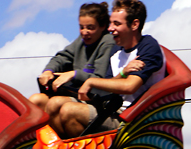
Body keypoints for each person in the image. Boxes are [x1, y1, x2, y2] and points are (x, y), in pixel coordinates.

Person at [51, 0, 165, 138]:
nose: (110, 28)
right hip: (111, 109)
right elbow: (109, 84)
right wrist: (123, 73)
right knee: (54, 103)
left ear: (135, 24)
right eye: (111, 23)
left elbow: (130, 86)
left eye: (117, 24)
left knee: (69, 111)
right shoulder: (116, 50)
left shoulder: (148, 47)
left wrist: (91, 82)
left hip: (133, 122)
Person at [28, 3, 114, 123]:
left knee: (55, 103)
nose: (84, 32)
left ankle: (62, 139)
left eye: (90, 27)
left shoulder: (108, 42)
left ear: (103, 26)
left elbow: (99, 79)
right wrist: (48, 71)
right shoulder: (81, 41)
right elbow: (62, 57)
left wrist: (74, 74)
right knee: (35, 100)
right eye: (81, 27)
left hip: (95, 99)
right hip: (74, 94)